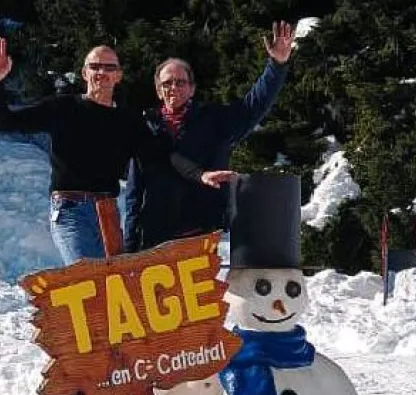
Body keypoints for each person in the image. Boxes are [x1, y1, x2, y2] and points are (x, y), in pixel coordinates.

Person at [0, 37, 228, 265]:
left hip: (108, 213)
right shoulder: (62, 108)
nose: (101, 72)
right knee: (87, 280)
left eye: (109, 67)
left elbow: (162, 157)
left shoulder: (128, 121)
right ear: (84, 73)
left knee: (112, 289)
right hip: (70, 210)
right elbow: (5, 122)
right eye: (95, 66)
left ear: (118, 76)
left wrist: (200, 174)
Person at [124, 21, 296, 253]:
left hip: (200, 235)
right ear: (158, 90)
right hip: (155, 239)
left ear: (192, 88)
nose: (173, 87)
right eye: (167, 83)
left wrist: (277, 65)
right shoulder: (145, 128)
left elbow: (254, 106)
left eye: (180, 82)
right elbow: (134, 193)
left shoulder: (214, 121)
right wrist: (129, 245)